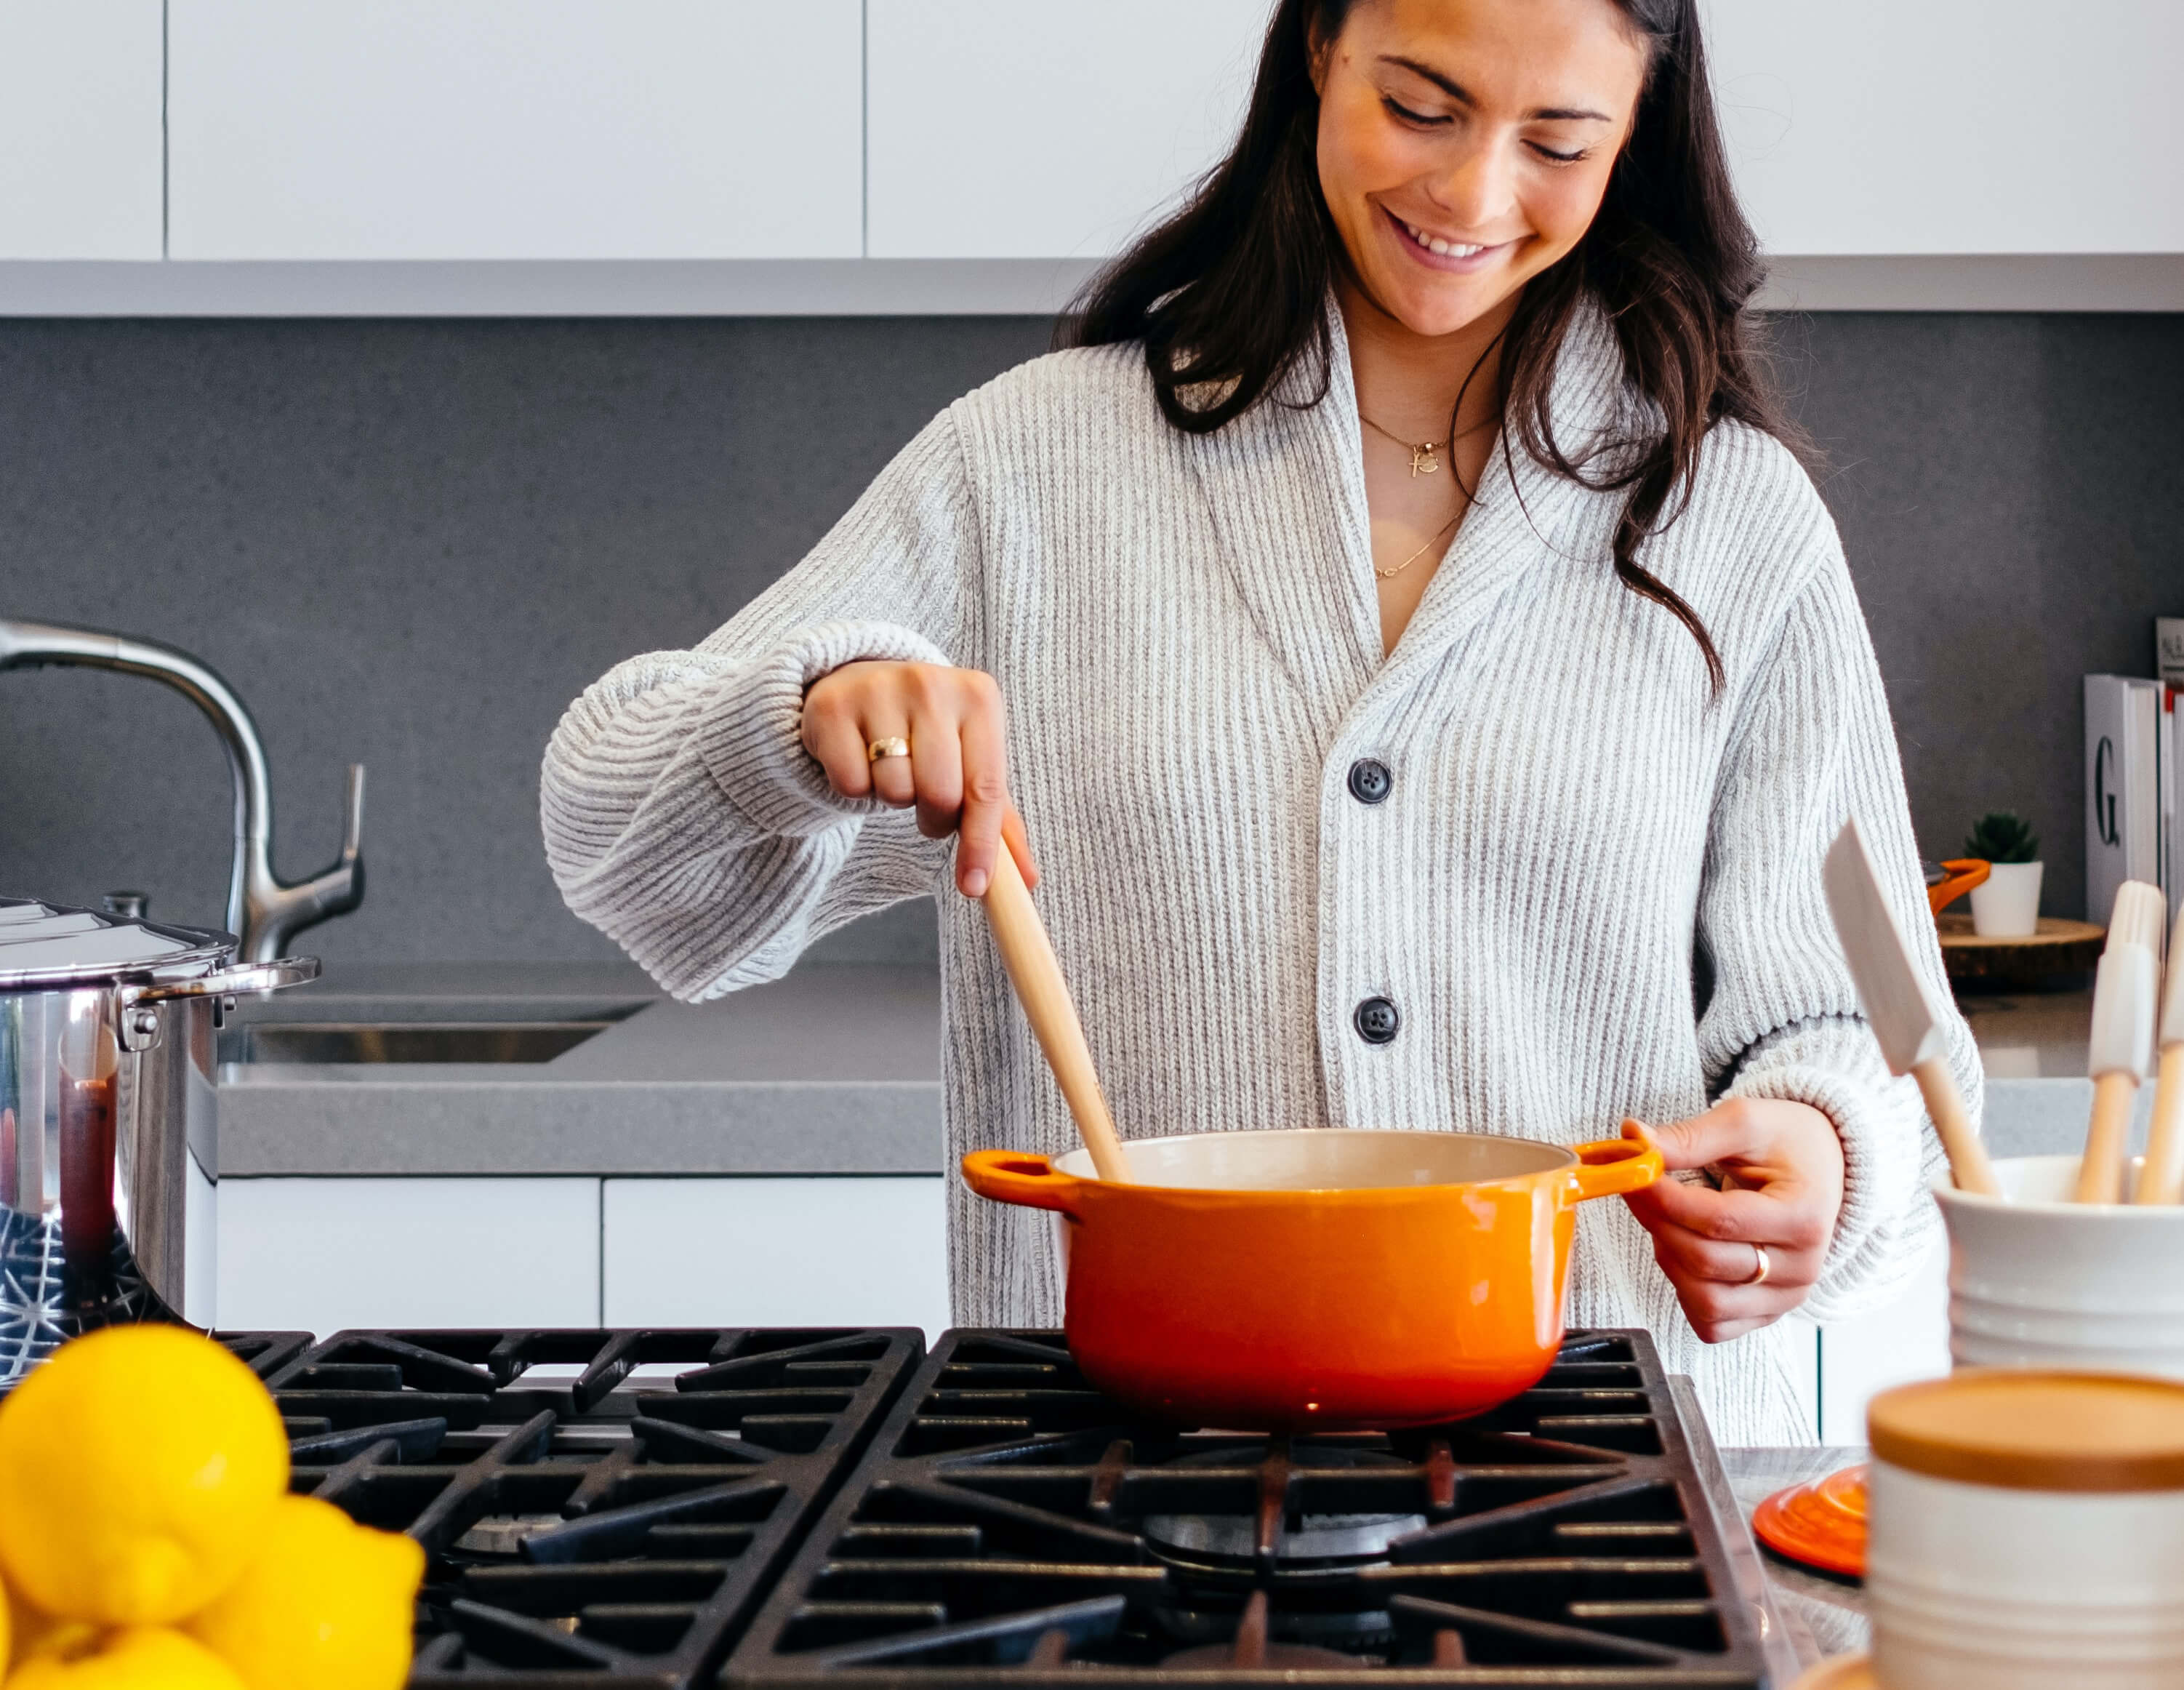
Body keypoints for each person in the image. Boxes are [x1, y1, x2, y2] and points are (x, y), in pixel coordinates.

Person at [542, 0, 1977, 1443]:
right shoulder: (1030, 470)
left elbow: (1865, 1032)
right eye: (1419, 107)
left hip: (1601, 1503)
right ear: (1318, 51)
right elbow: (619, 851)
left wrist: (1820, 1150)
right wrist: (800, 718)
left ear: (1636, 134)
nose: (1472, 196)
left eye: (1556, 140)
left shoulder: (1729, 520)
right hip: (1101, 1497)